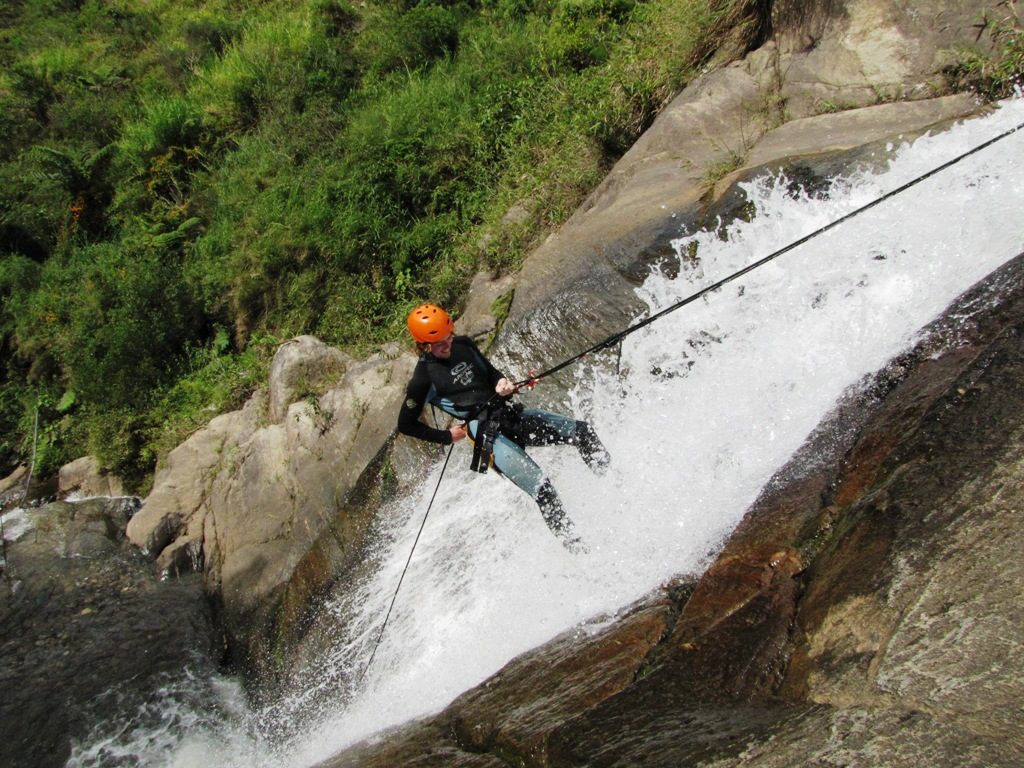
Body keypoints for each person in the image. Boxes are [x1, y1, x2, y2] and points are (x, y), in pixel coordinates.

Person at [397, 303, 610, 552]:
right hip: (488, 437)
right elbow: (405, 424)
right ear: (424, 346)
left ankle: (612, 486)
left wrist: (502, 383)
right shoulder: (423, 379)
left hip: (509, 416)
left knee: (583, 432)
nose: (448, 345)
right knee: (543, 489)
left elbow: (490, 373)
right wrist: (446, 436)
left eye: (449, 338)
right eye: (441, 344)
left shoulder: (463, 345)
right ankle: (581, 552)